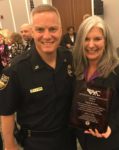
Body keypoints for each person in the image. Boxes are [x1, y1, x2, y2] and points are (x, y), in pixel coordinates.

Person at [0, 4, 76, 150]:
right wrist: (9, 145)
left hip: (67, 138)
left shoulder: (69, 58)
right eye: (40, 29)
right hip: (36, 142)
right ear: (33, 32)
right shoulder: (15, 69)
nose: (47, 36)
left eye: (53, 29)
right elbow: (6, 112)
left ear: (61, 30)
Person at [72, 15, 119, 150]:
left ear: (106, 41)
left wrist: (111, 125)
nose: (91, 44)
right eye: (86, 39)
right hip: (84, 139)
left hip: (110, 141)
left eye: (97, 39)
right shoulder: (78, 67)